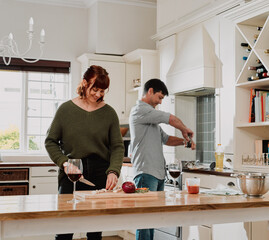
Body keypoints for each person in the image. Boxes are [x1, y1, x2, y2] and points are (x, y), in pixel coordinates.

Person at [45, 65, 124, 240]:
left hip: (99, 173)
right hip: (71, 172)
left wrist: (113, 171)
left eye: (102, 91)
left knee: (94, 230)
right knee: (65, 229)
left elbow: (117, 146)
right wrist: (64, 163)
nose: (98, 94)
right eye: (95, 89)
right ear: (84, 83)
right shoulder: (65, 110)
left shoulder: (109, 113)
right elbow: (50, 141)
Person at [129, 78, 196, 240]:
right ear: (150, 91)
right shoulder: (140, 110)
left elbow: (166, 139)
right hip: (146, 173)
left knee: (151, 219)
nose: (159, 102)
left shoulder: (150, 119)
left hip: (157, 174)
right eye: (159, 97)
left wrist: (184, 141)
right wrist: (185, 129)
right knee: (145, 219)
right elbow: (171, 118)